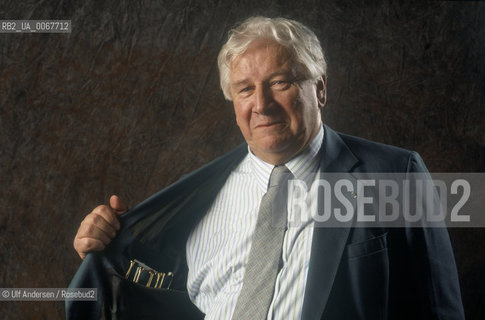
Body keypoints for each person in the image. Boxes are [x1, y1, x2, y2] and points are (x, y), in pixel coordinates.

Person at [68, 16, 464, 319]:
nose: (261, 104)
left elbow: (439, 309)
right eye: (244, 89)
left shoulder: (393, 175)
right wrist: (103, 245)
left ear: (320, 88)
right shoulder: (198, 199)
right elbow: (132, 289)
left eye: (280, 82)